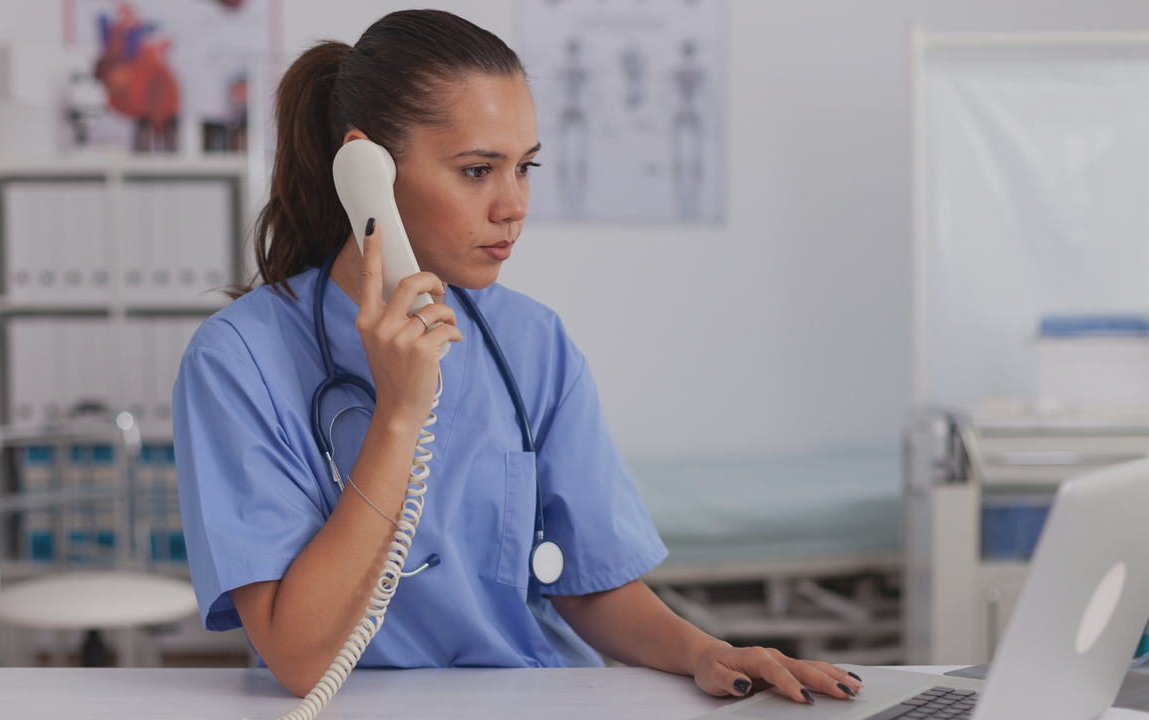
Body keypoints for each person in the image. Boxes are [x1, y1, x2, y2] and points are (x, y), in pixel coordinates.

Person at [172, 9, 864, 704]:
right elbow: (298, 658)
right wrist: (398, 420)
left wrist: (706, 652)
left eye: (525, 168)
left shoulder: (534, 343)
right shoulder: (237, 362)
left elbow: (590, 588)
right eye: (477, 170)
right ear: (367, 170)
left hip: (536, 699)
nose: (514, 206)